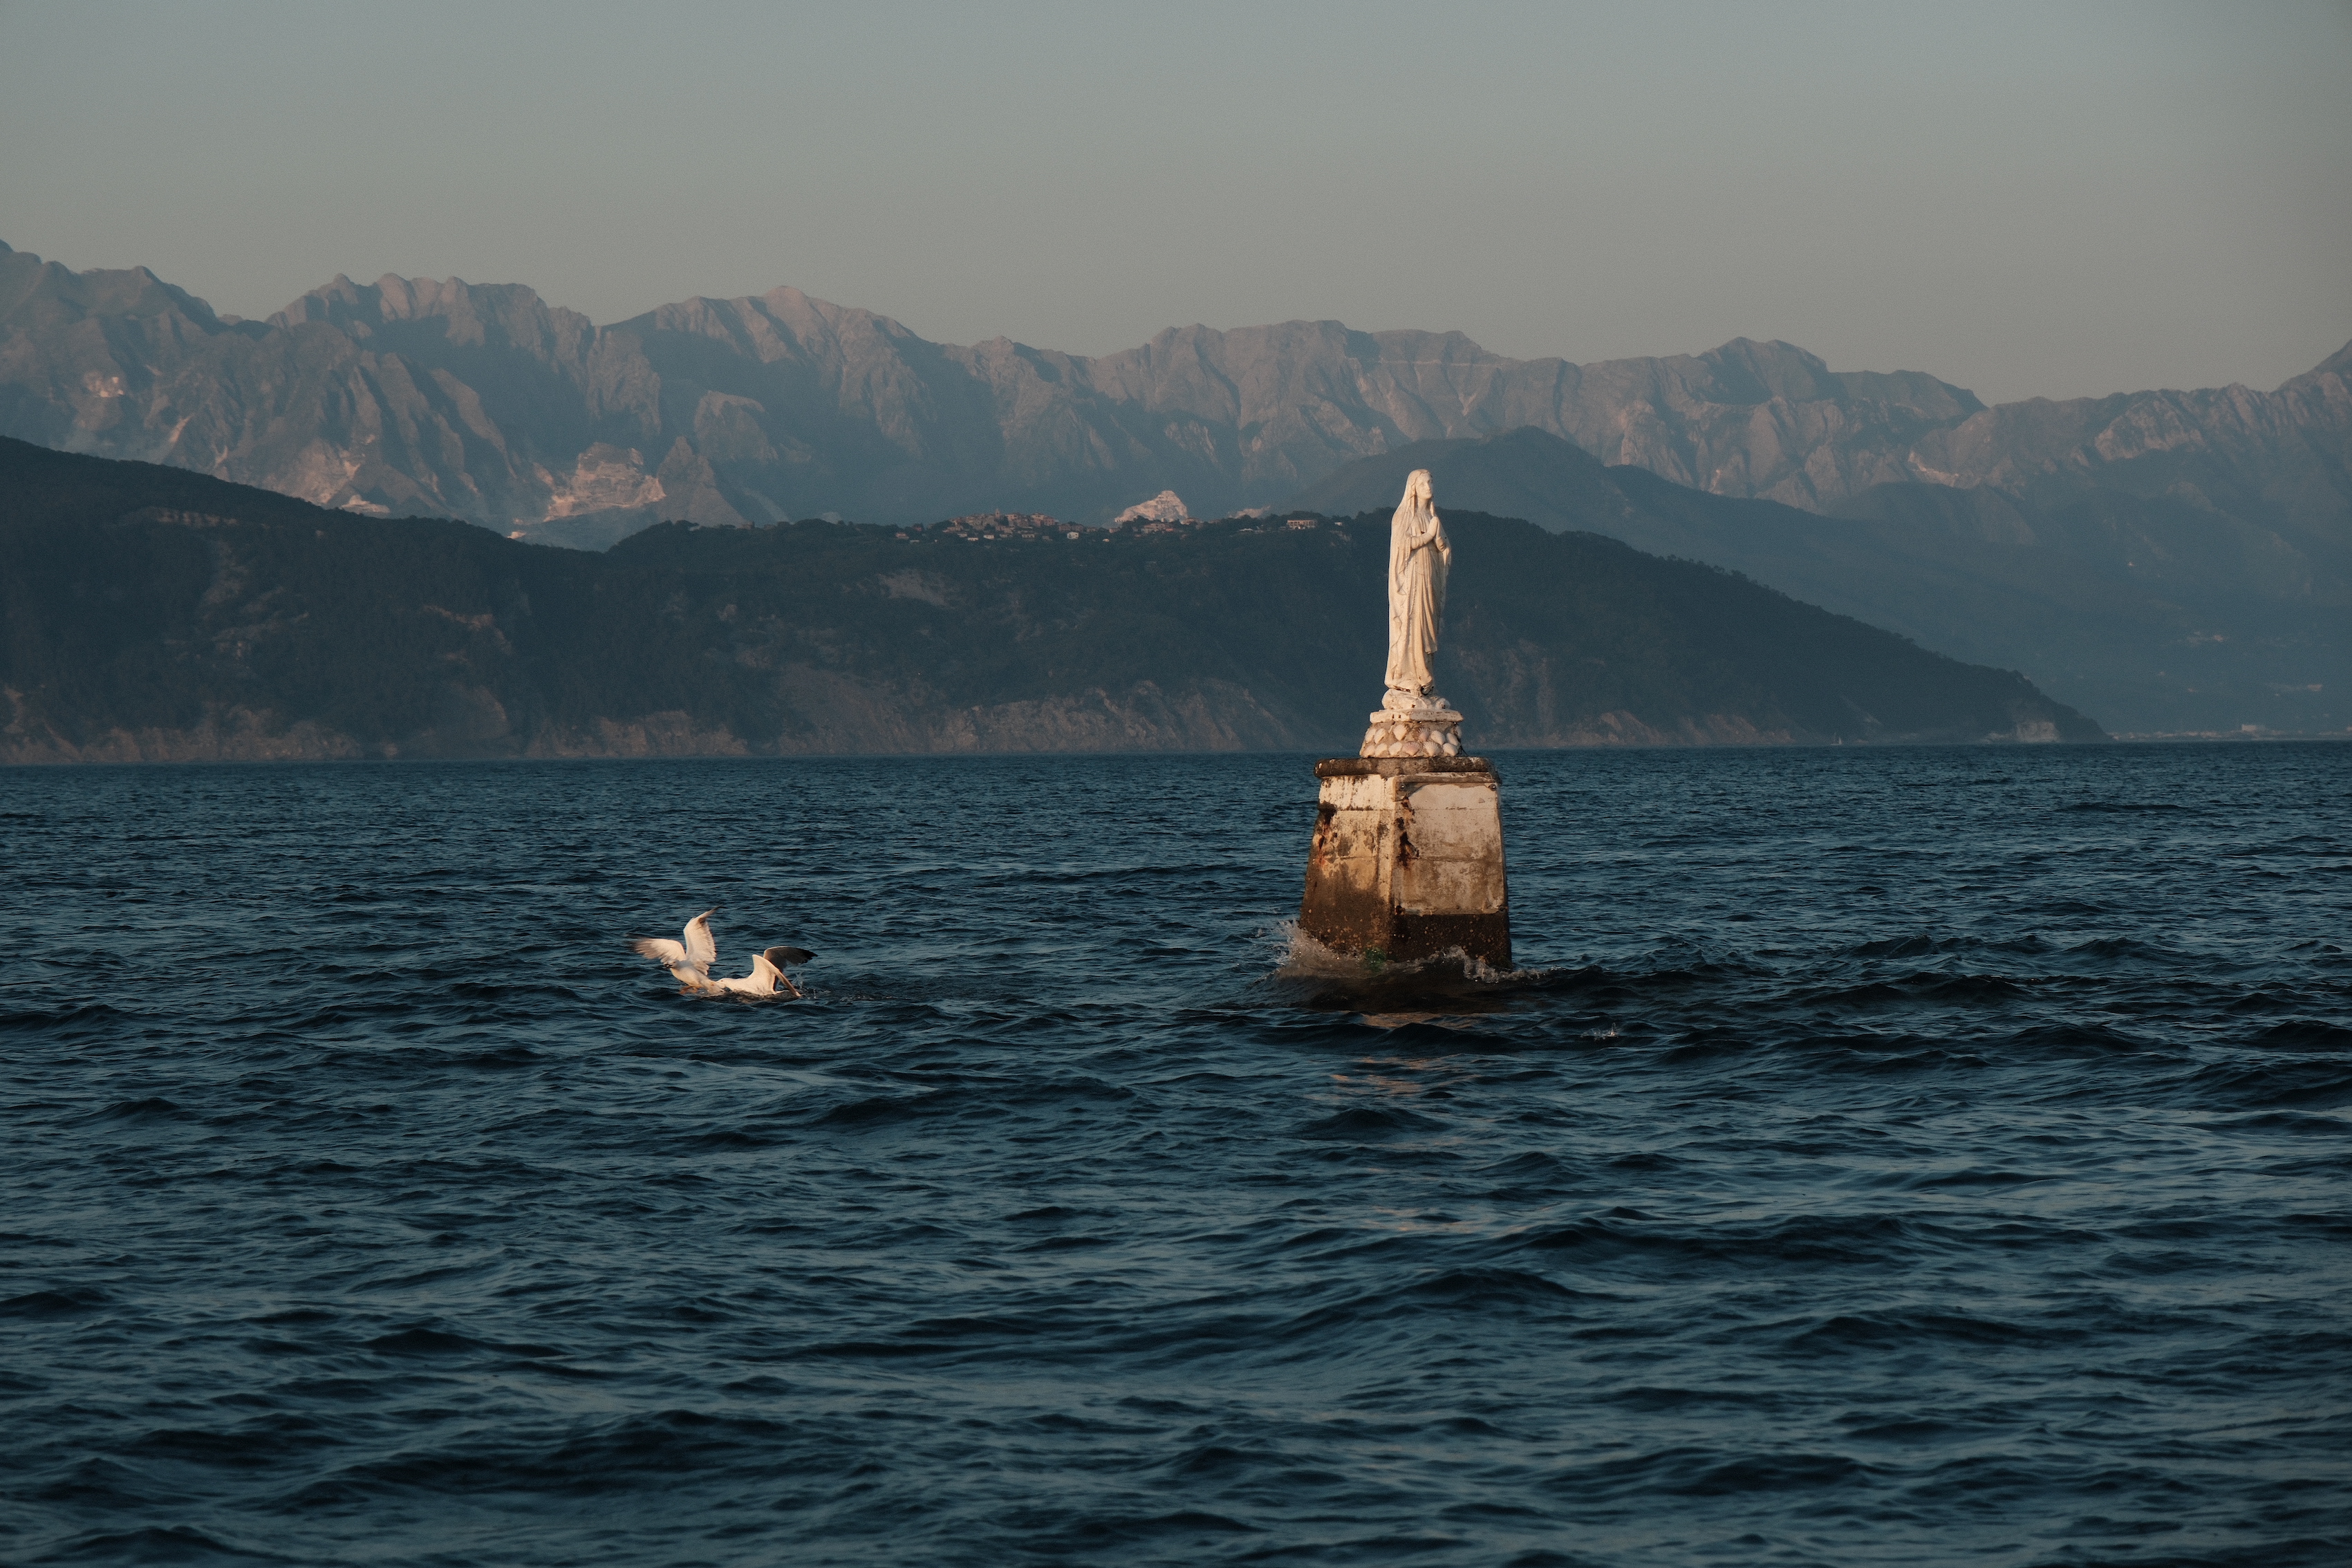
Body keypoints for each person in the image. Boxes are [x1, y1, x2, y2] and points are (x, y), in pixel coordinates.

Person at [1384, 469, 1451, 697]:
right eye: (1423, 484)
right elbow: (1401, 545)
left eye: (1431, 482)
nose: (1429, 487)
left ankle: (1425, 674)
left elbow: (1444, 548)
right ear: (1413, 488)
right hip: (1412, 577)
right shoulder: (1403, 516)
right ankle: (1409, 675)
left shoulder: (1432, 518)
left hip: (1430, 573)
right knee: (1413, 623)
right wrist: (1427, 536)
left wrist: (1440, 541)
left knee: (1428, 624)